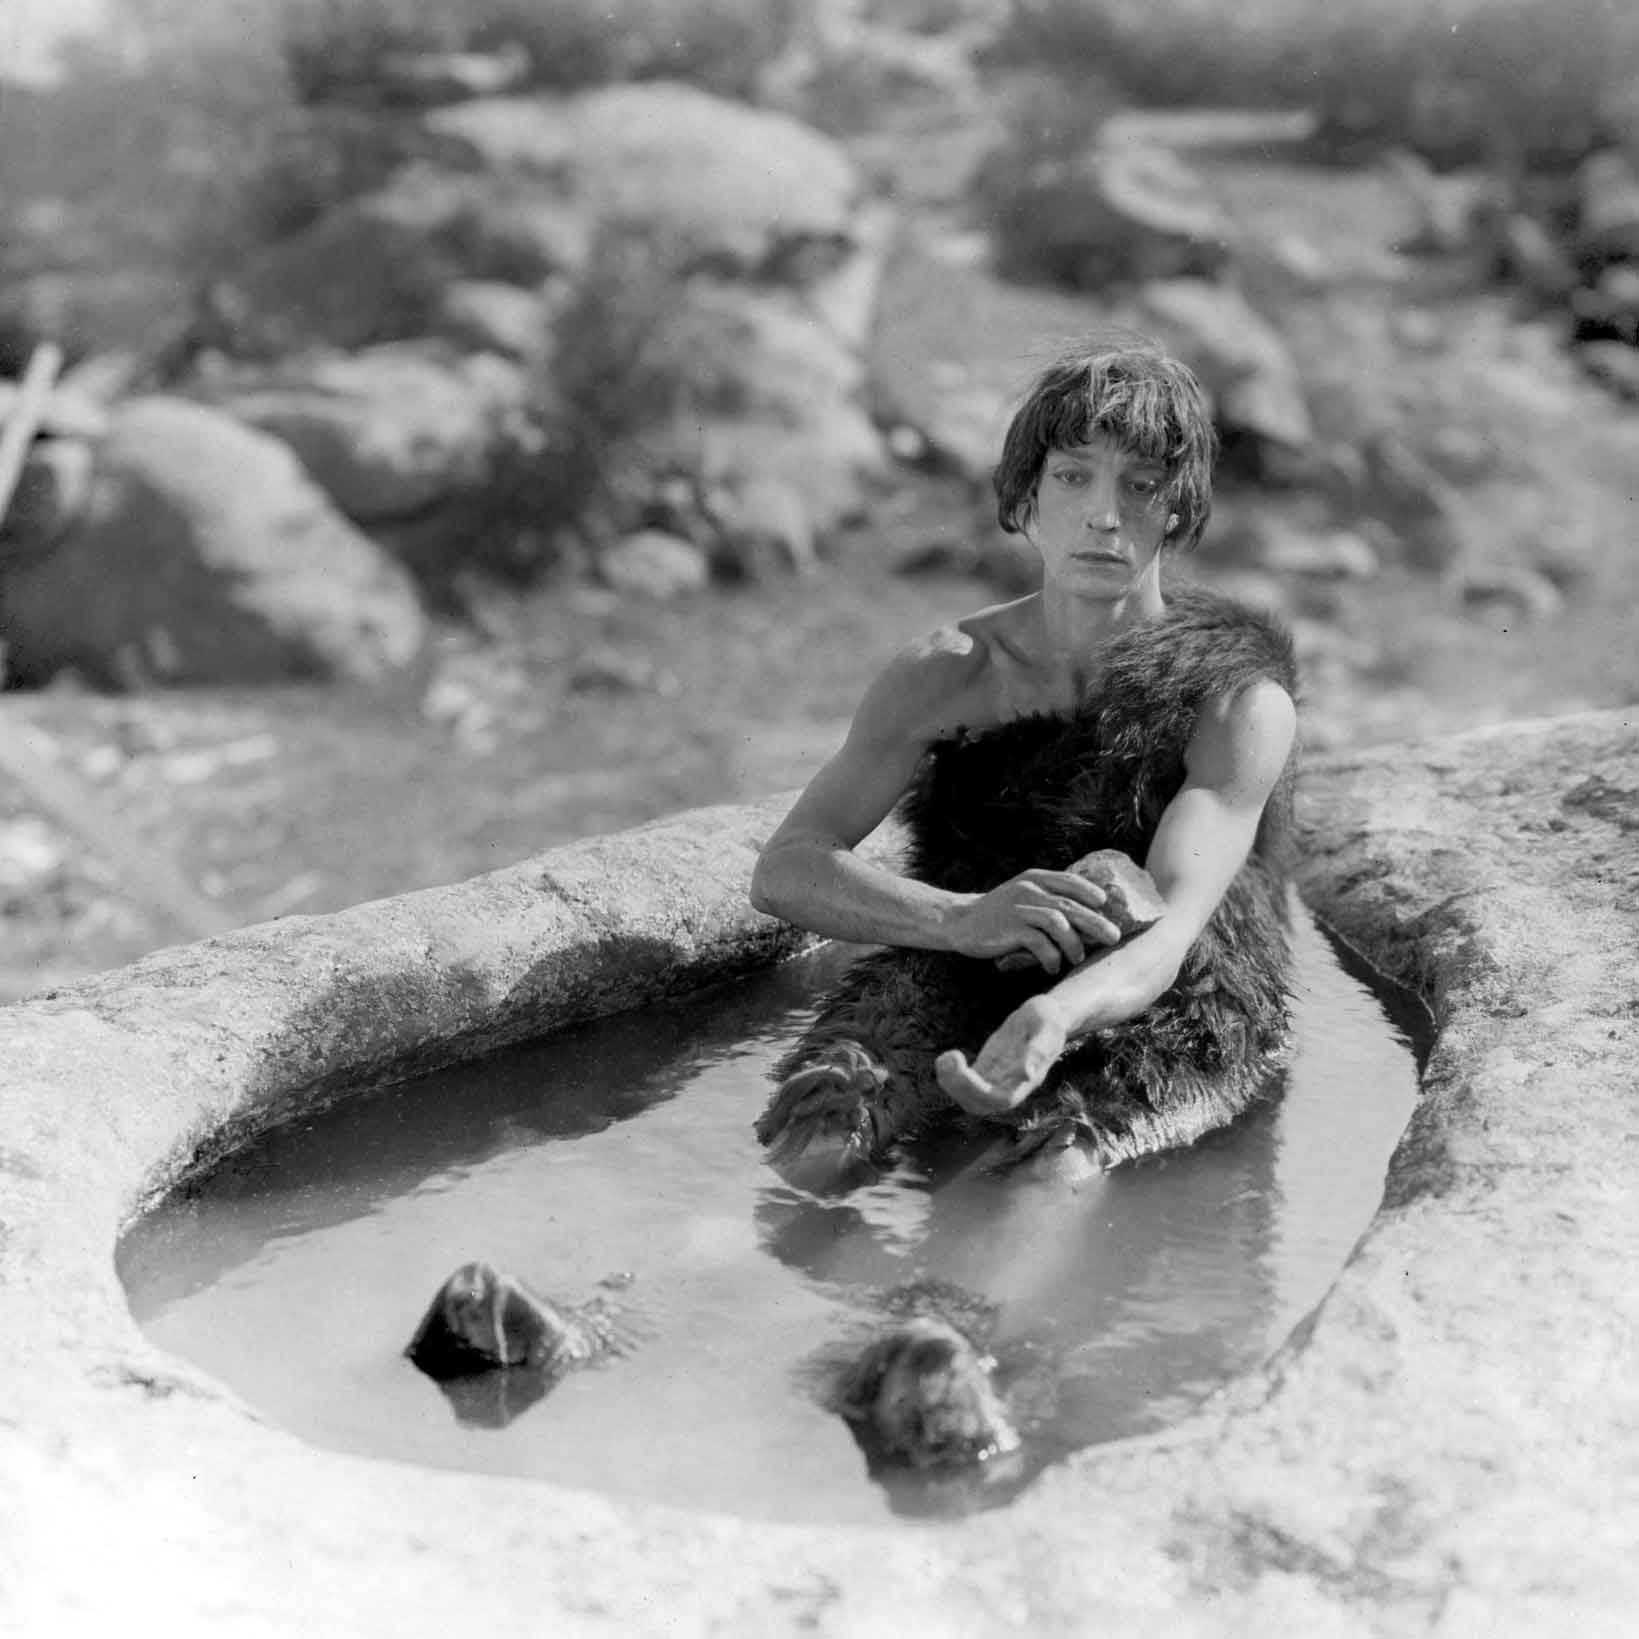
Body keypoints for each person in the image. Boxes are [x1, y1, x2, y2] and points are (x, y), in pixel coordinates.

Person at [749, 331, 1299, 1189]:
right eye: (1074, 477)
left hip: (1179, 989)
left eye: (1140, 486)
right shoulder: (945, 673)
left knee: (1055, 1167)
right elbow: (786, 867)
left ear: (1178, 509)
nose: (1104, 515)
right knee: (822, 1123)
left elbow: (1172, 934)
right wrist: (959, 919)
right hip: (967, 945)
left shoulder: (1235, 702)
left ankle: (990, 1271)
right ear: (1028, 497)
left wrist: (1056, 1015)